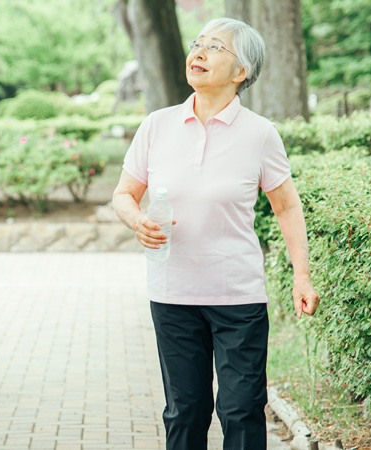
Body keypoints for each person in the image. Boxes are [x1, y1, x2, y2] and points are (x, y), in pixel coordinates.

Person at [111, 17, 320, 449]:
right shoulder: (157, 125)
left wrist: (302, 274)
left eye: (215, 47)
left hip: (237, 297)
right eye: (198, 44)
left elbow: (287, 206)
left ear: (241, 72)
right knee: (185, 411)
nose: (199, 52)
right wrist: (137, 221)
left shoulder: (260, 134)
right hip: (173, 294)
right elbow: (125, 194)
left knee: (241, 410)